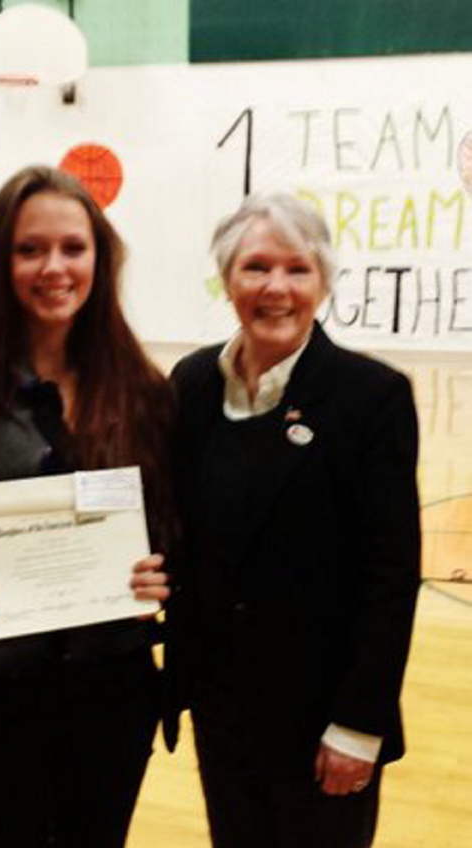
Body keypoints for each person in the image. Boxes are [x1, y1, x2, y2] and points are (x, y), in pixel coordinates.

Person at [0, 165, 175, 848]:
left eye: (72, 248)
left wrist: (159, 577)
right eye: (29, 249)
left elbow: (172, 532)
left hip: (112, 693)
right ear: (0, 260)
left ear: (98, 258)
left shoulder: (143, 393)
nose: (54, 267)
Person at [168, 192, 421, 848]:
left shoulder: (372, 398)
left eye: (296, 269)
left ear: (323, 282)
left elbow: (389, 577)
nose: (275, 287)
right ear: (226, 280)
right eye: (255, 267)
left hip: (321, 725)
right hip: (223, 715)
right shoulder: (190, 385)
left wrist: (357, 726)